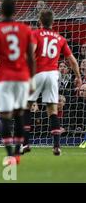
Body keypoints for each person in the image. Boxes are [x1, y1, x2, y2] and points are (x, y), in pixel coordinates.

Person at [0, 0, 36, 166]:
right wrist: (32, 79)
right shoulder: (25, 29)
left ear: (1, 12)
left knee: (5, 117)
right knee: (19, 114)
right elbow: (31, 58)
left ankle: (10, 154)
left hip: (4, 78)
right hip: (22, 77)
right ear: (15, 12)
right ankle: (18, 153)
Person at [23, 9, 82, 156]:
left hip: (38, 73)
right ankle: (56, 146)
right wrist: (79, 77)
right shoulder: (60, 38)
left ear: (40, 22)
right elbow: (73, 61)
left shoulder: (35, 34)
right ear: (53, 22)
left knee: (26, 106)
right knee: (52, 110)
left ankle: (25, 144)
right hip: (53, 75)